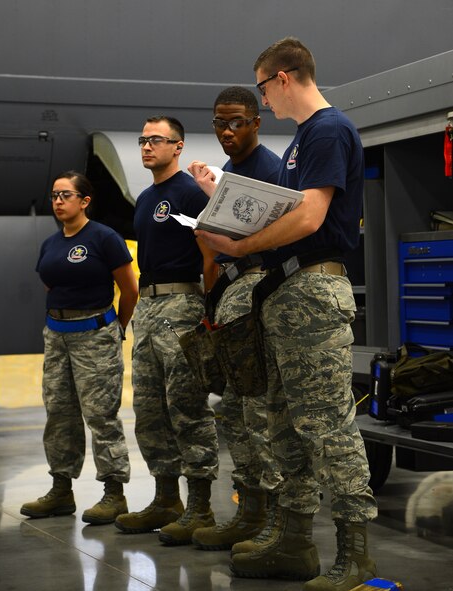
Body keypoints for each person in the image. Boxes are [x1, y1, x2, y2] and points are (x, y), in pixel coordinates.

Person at [194, 37, 378, 591]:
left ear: (282, 78)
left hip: (313, 292)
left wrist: (239, 247)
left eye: (262, 88)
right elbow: (288, 212)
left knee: (327, 425)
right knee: (284, 424)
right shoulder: (302, 141)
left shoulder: (326, 130)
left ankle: (357, 554)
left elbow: (309, 218)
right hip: (285, 293)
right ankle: (294, 541)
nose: (264, 100)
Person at [115, 116, 220, 546]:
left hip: (183, 304)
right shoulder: (144, 199)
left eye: (155, 140)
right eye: (142, 139)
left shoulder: (192, 193)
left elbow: (210, 256)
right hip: (150, 306)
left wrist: (207, 313)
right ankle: (165, 499)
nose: (145, 146)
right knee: (151, 407)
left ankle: (200, 506)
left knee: (187, 406)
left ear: (177, 146)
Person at [187, 86, 283, 551]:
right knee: (233, 411)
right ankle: (249, 511)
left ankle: (277, 524)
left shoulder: (271, 170)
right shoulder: (229, 172)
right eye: (219, 123)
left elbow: (277, 239)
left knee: (261, 413)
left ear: (257, 122)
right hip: (231, 296)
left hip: (258, 294)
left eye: (236, 123)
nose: (227, 131)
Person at [21, 170, 138, 525]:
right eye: (54, 195)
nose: (58, 201)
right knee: (59, 413)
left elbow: (129, 289)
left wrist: (115, 327)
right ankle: (61, 490)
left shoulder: (104, 238)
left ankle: (114, 493)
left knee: (101, 415)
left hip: (94, 334)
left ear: (84, 201)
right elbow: (50, 285)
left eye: (65, 195)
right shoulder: (51, 244)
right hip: (56, 336)